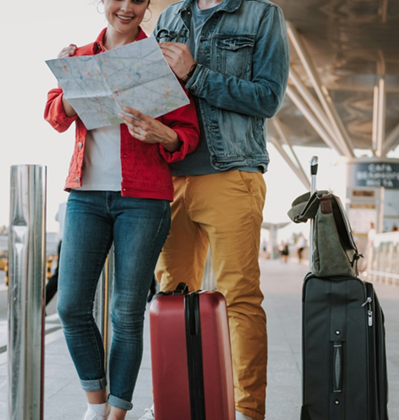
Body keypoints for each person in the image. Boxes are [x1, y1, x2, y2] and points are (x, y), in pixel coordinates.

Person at [44, 1, 200, 418]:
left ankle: (115, 413)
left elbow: (187, 134)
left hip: (144, 199)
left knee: (125, 312)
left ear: (148, 5)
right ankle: (95, 404)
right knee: (71, 307)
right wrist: (72, 85)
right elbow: (55, 115)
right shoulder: (77, 58)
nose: (127, 7)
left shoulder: (162, 60)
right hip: (86, 195)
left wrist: (162, 133)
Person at [147, 1, 289, 419]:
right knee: (171, 296)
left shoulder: (261, 15)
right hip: (170, 175)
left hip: (233, 173)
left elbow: (268, 97)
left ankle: (246, 410)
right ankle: (174, 403)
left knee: (238, 298)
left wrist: (195, 74)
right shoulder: (170, 18)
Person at [45, 201, 67, 305]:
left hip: (62, 241)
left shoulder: (62, 205)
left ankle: (41, 303)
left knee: (59, 275)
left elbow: (56, 218)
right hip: (69, 241)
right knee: (60, 275)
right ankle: (41, 303)